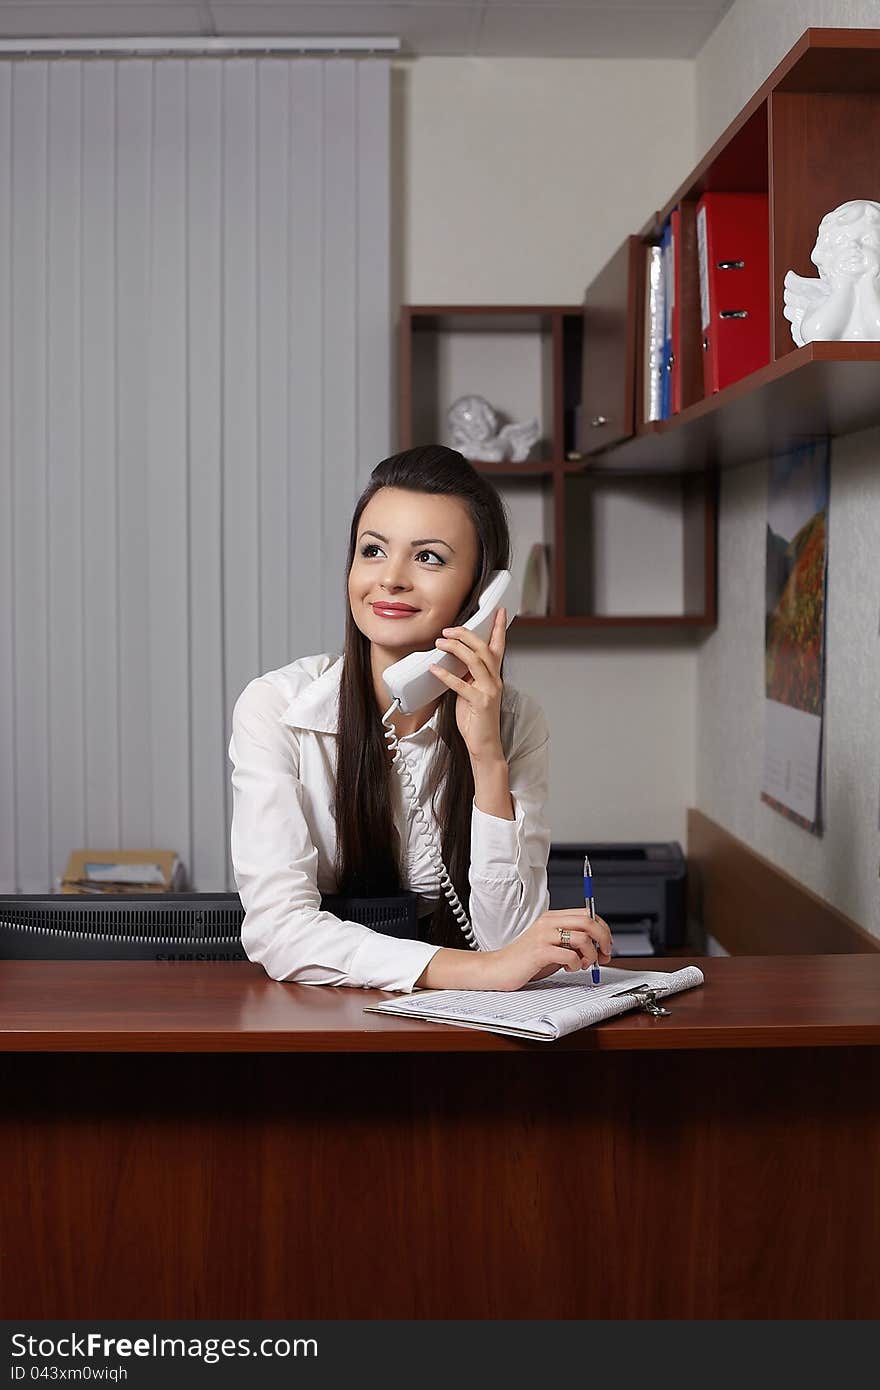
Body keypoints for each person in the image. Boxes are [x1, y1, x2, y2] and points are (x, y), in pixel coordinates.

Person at [228, 445, 611, 992]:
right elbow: (278, 930)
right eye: (373, 551)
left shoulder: (517, 723)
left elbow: (511, 945)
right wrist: (480, 970)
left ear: (481, 595)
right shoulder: (275, 709)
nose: (391, 579)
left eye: (428, 557)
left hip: (462, 1034)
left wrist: (486, 757)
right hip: (317, 1021)